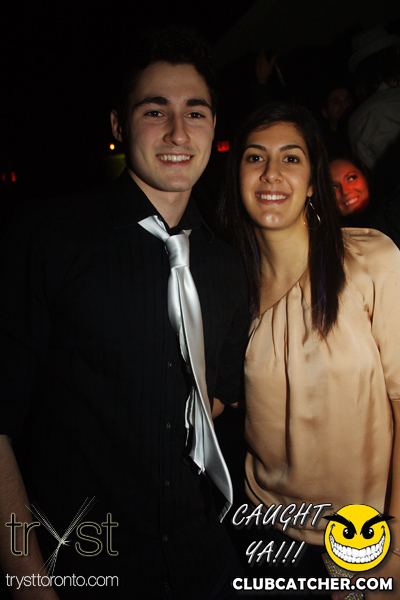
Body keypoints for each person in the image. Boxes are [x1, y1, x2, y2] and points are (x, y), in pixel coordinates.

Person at [0, 28, 249, 600]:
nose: (178, 132)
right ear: (118, 125)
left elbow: (215, 401)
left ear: (214, 127)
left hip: (206, 566)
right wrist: (29, 584)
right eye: (155, 111)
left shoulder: (227, 265)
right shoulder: (49, 237)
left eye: (195, 113)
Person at [218, 102, 400, 599]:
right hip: (267, 532)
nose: (271, 172)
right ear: (237, 176)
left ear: (313, 181)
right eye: (255, 157)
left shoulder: (370, 259)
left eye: (291, 158)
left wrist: (395, 544)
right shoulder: (226, 290)